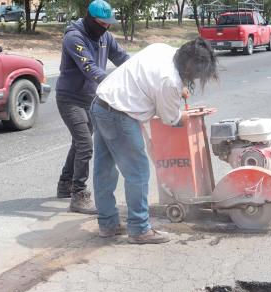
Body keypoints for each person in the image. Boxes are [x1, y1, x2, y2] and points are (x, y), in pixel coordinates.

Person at [90, 37, 218, 244]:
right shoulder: (170, 81)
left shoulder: (163, 49)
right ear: (190, 67)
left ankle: (107, 224)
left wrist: (179, 89)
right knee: (138, 172)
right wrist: (186, 115)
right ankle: (139, 229)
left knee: (104, 170)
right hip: (120, 115)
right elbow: (171, 118)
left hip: (100, 104)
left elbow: (156, 82)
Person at [55, 0, 129, 214]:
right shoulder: (74, 37)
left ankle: (64, 185)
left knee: (79, 144)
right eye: (102, 23)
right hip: (69, 99)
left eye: (109, 24)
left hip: (90, 98)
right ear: (91, 19)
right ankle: (79, 195)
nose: (106, 27)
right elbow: (90, 68)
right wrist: (113, 85)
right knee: (85, 145)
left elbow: (122, 58)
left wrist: (138, 73)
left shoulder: (105, 36)